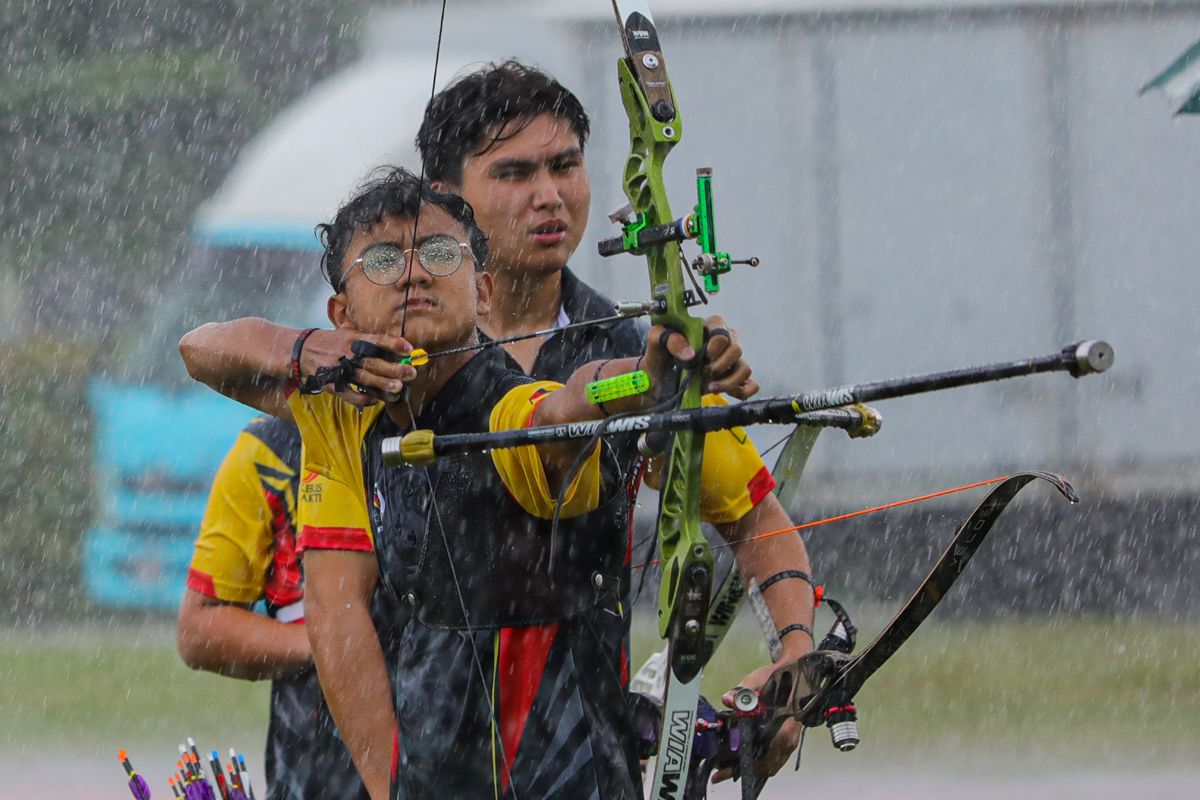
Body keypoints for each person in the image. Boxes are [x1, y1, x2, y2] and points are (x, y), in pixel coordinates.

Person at [179, 168, 763, 799]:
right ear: (341, 311)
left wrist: (644, 379)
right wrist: (306, 349)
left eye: (438, 252)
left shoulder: (507, 406)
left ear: (482, 292)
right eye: (381, 259)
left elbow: (567, 404)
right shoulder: (339, 409)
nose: (412, 273)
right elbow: (201, 348)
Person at [418, 60, 817, 785]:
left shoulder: (631, 347)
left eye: (565, 165)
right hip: (416, 752)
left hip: (581, 756)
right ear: (446, 198)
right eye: (513, 173)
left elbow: (756, 520)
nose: (549, 195)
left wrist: (794, 658)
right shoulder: (408, 355)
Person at [179, 416, 368, 800]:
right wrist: (334, 641)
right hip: (313, 766)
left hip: (452, 738)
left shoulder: (449, 422)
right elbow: (199, 629)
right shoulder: (269, 450)